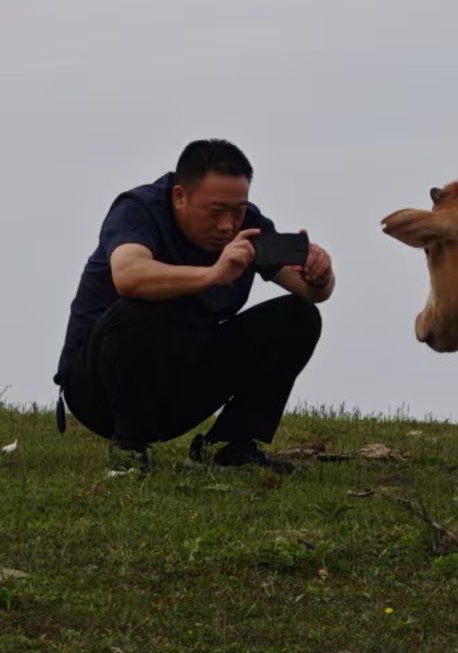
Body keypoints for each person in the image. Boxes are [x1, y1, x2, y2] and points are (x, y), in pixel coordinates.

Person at [56, 139, 332, 474]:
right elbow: (127, 275)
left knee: (300, 317)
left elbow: (311, 291)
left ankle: (231, 447)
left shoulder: (249, 228)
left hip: (180, 386)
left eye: (238, 210)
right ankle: (129, 451)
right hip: (99, 390)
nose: (228, 225)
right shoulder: (139, 210)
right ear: (180, 196)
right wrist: (212, 274)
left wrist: (320, 276)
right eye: (216, 212)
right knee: (141, 306)